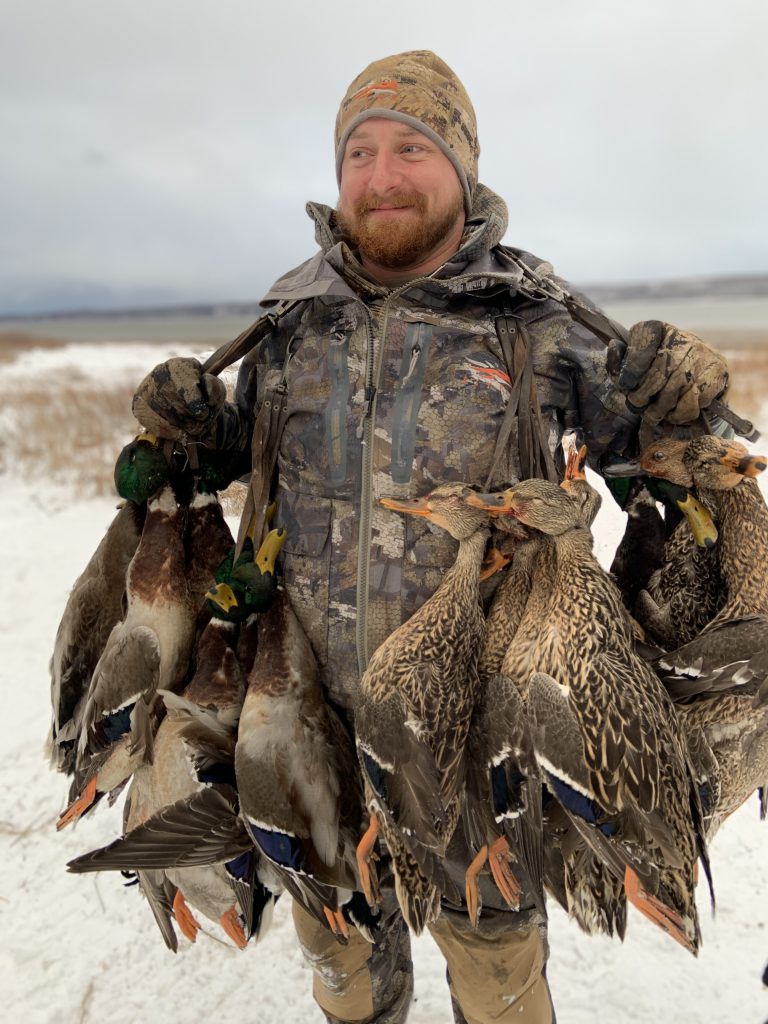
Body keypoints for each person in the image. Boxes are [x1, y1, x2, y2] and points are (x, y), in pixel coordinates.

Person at [133, 50, 731, 1024]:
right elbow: (216, 472)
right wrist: (186, 427)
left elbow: (665, 482)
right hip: (310, 724)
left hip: (474, 741)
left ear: (461, 164)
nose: (382, 174)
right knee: (344, 970)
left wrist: (683, 403)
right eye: (358, 152)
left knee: (497, 980)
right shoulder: (289, 329)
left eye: (411, 146)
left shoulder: (539, 322)